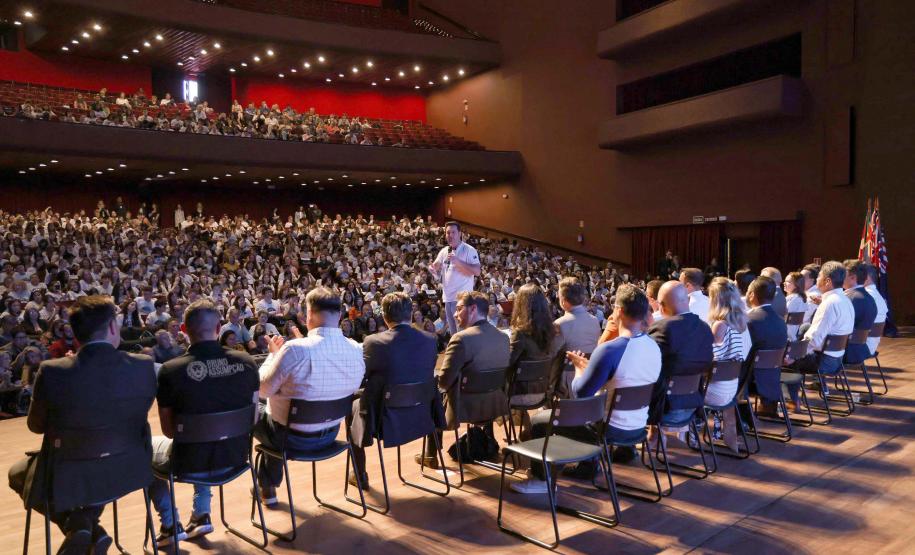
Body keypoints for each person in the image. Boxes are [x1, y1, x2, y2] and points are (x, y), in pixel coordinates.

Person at [8, 296, 156, 555]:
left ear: (75, 333)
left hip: (71, 473)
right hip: (129, 468)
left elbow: (36, 426)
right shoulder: (143, 366)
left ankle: (79, 526)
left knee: (17, 473)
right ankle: (86, 528)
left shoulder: (53, 370)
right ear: (112, 327)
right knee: (92, 474)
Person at [511, 285, 661, 493]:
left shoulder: (610, 349)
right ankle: (588, 466)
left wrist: (581, 369)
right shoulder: (653, 346)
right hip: (637, 426)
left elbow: (581, 393)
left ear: (618, 310)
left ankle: (541, 480)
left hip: (607, 429)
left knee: (539, 421)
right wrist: (589, 368)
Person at [149, 300, 260, 546]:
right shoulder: (247, 362)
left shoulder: (170, 370)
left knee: (146, 445)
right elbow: (253, 417)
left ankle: (169, 525)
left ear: (184, 331)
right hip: (236, 457)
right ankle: (200, 514)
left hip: (189, 462)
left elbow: (169, 432)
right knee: (205, 436)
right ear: (219, 327)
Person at [255, 287, 364, 505]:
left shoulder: (295, 349)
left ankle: (267, 486)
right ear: (340, 316)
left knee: (255, 406)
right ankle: (267, 486)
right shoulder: (355, 349)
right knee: (280, 409)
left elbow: (262, 390)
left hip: (290, 439)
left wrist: (272, 357)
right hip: (329, 435)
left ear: (308, 315)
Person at [348, 292, 439, 489]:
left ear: (385, 317)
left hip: (386, 420)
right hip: (422, 414)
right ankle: (431, 454)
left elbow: (363, 376)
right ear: (410, 314)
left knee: (353, 404)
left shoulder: (374, 342)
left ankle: (359, 473)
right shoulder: (430, 340)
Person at [420, 291, 509, 466]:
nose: (454, 313)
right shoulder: (503, 337)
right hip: (495, 404)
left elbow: (444, 383)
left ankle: (431, 455)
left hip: (465, 407)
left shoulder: (461, 339)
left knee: (432, 394)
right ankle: (487, 440)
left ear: (473, 309)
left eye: (459, 308)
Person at [647, 282, 714, 436]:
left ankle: (631, 444)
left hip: (663, 408)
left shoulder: (662, 328)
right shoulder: (705, 328)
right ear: (687, 301)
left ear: (662, 306)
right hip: (693, 405)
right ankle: (656, 435)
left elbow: (644, 362)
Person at [787, 261, 854, 391]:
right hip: (837, 359)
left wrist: (792, 356)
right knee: (806, 328)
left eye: (819, 277)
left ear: (827, 281)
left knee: (782, 360)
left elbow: (814, 338)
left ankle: (792, 401)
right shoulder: (845, 299)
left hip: (824, 361)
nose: (817, 279)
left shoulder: (829, 303)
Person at [505, 284, 556, 436]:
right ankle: (528, 430)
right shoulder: (551, 330)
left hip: (520, 394)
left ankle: (487, 438)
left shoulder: (520, 333)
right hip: (542, 391)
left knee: (490, 388)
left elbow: (508, 363)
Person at [704, 277, 747, 450]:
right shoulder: (740, 322)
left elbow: (713, 358)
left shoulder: (720, 325)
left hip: (716, 391)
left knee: (685, 386)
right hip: (731, 388)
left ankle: (685, 437)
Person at [745, 276, 789, 414]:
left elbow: (742, 353)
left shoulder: (748, 320)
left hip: (751, 380)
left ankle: (742, 420)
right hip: (773, 377)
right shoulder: (780, 320)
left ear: (752, 295)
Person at [550, 277, 601, 398]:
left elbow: (551, 354)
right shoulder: (594, 320)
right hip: (592, 377)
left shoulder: (559, 324)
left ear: (563, 301)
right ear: (583, 298)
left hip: (568, 384)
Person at [429, 222, 481, 335]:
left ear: (460, 234)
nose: (450, 235)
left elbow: (477, 271)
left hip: (462, 299)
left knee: (463, 333)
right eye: (448, 233)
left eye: (453, 232)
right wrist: (433, 267)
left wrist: (458, 261)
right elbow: (436, 264)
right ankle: (457, 352)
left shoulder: (469, 250)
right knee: (454, 334)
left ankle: (466, 353)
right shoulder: (444, 251)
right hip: (448, 298)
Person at [842, 259, 877, 365]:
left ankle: (818, 381)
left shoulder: (848, 299)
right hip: (860, 350)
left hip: (845, 352)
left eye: (843, 275)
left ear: (853, 278)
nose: (839, 278)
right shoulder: (870, 297)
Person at [862, 263, 888, 355]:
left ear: (867, 277)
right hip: (871, 346)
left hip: (861, 348)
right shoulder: (877, 295)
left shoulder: (865, 296)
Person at [784, 271, 808, 340]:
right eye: (785, 281)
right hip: (793, 336)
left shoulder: (794, 299)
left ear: (796, 284)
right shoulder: (802, 298)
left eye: (788, 282)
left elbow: (782, 315)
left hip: (786, 336)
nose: (784, 283)